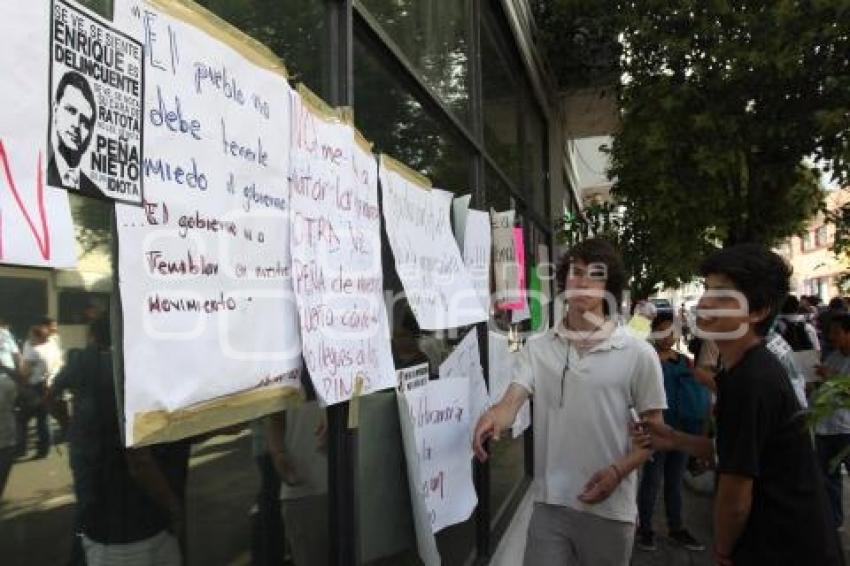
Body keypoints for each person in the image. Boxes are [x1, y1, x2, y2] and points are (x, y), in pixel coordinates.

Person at [638, 244, 842, 566]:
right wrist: (674, 438)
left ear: (758, 311)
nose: (705, 301)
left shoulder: (752, 380)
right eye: (706, 289)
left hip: (785, 548)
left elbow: (735, 495)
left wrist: (722, 549)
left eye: (722, 294)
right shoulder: (742, 371)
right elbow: (732, 449)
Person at [473, 238, 666, 566]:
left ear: (610, 286)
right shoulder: (539, 347)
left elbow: (656, 434)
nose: (583, 281)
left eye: (595, 274)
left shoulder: (638, 352)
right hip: (550, 504)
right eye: (576, 272)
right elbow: (513, 399)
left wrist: (618, 473)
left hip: (610, 508)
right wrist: (494, 416)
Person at [49, 319, 183, 566]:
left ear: (92, 337)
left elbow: (50, 395)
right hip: (130, 511)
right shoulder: (131, 369)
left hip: (87, 458)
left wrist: (68, 425)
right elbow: (140, 459)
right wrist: (172, 506)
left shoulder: (81, 362)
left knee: (87, 509)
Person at [636, 313, 709, 552]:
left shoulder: (686, 362)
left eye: (672, 331)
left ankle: (676, 527)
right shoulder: (646, 359)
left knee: (675, 481)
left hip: (682, 432)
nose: (668, 336)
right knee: (652, 480)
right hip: (656, 432)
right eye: (663, 331)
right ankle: (645, 528)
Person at [813, 313, 850, 529]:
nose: (831, 336)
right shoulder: (834, 356)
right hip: (824, 427)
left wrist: (829, 378)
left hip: (846, 429)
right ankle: (834, 521)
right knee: (828, 479)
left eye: (837, 332)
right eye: (830, 332)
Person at [47, 71, 100, 197]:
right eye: (71, 110)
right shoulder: (31, 174)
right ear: (55, 109)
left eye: (85, 121)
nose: (76, 125)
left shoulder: (96, 193)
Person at [17, 323, 52, 458]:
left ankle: (21, 449)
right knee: (43, 419)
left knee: (21, 419)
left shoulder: (34, 351)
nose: (29, 337)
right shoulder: (50, 347)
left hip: (34, 387)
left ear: (38, 337)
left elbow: (25, 372)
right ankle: (44, 450)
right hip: (46, 385)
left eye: (31, 335)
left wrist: (21, 376)